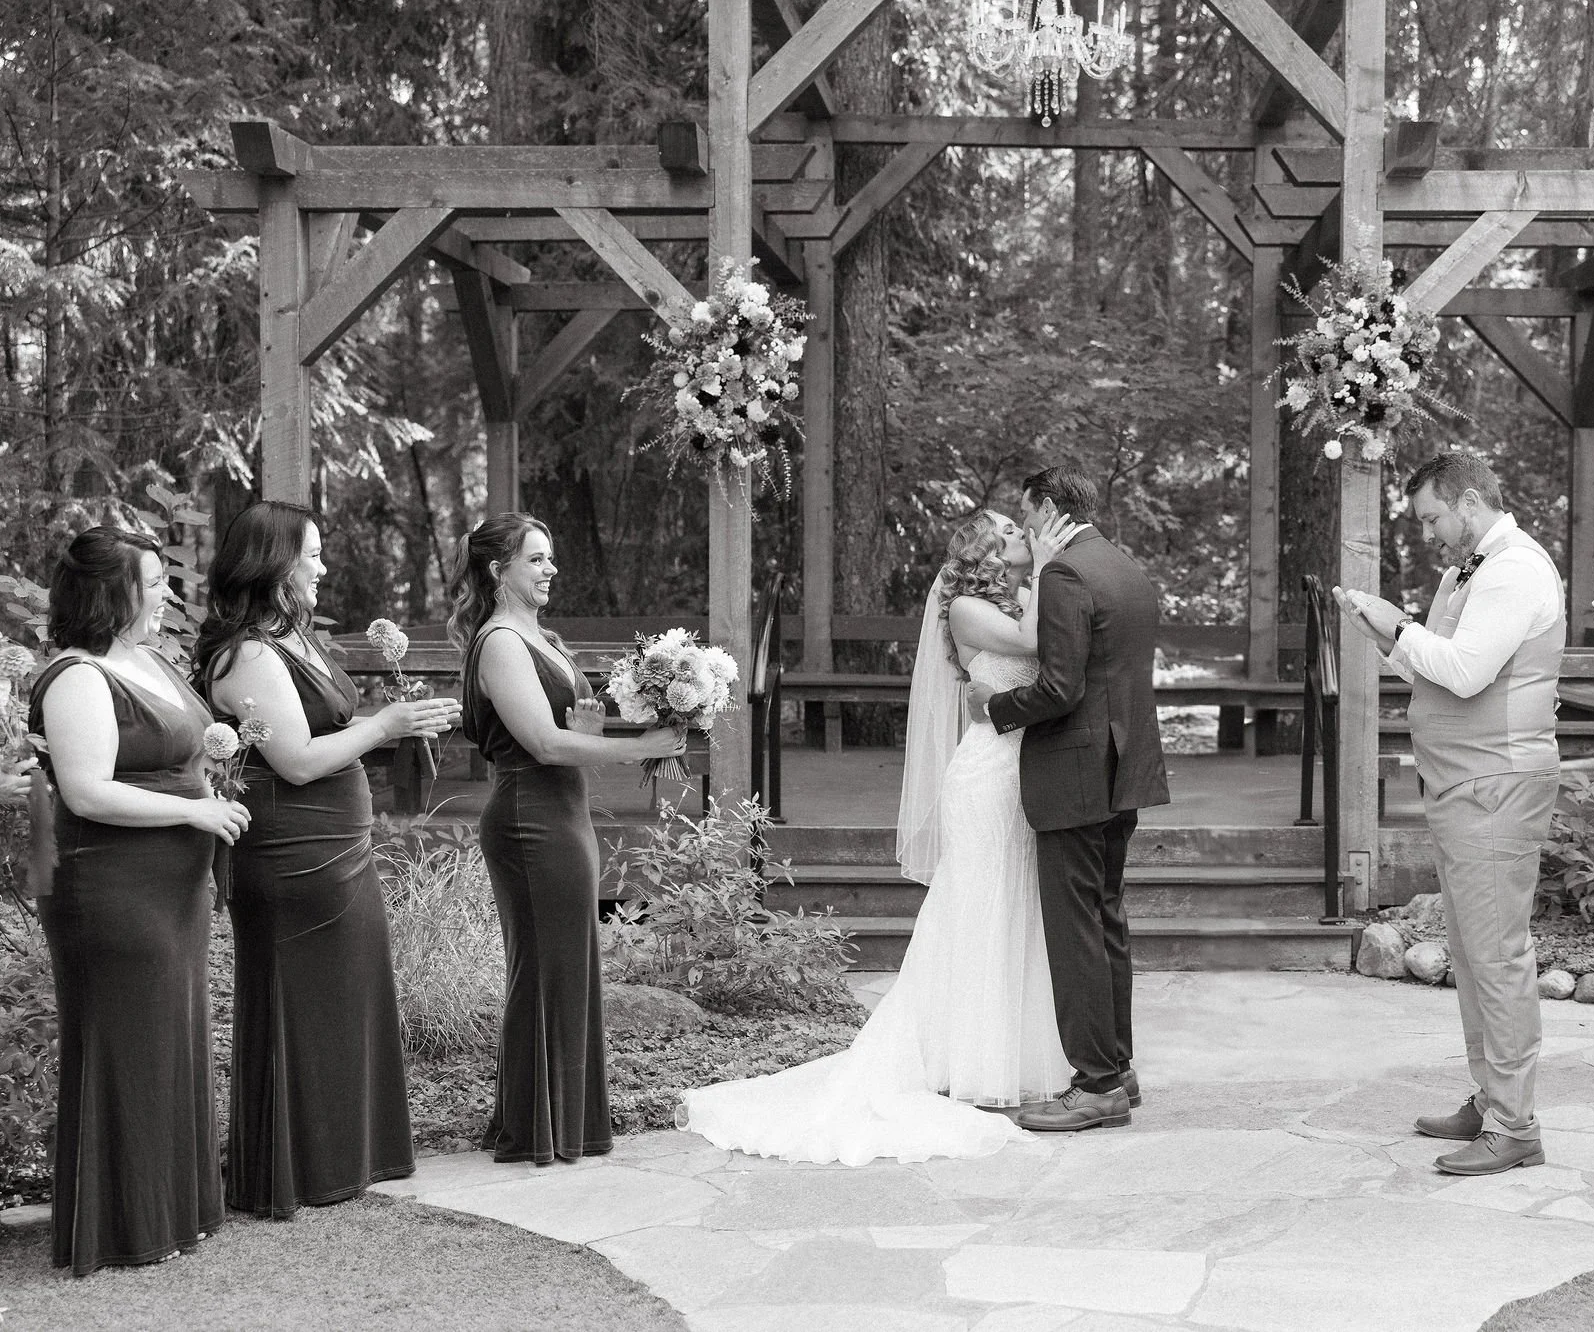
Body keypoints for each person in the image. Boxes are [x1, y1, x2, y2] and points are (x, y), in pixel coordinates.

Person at [682, 509, 1078, 1163]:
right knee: (974, 907)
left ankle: (1005, 1054)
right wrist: (1044, 565)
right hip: (985, 775)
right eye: (1009, 530)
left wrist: (1037, 576)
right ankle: (964, 1060)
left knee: (1010, 909)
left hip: (1020, 768)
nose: (1021, 535)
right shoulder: (969, 609)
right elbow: (1036, 643)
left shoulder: (1013, 598)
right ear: (984, 549)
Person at [194, 501, 461, 1216]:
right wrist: (387, 724)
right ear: (274, 564)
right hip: (291, 857)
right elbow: (300, 759)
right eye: (311, 554)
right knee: (300, 1005)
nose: (322, 566)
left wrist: (402, 720)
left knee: (345, 999)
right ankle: (294, 1168)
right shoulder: (247, 653)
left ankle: (347, 1155)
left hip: (338, 849)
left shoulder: (297, 638)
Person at [29, 526, 249, 1274]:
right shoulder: (77, 676)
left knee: (171, 1039)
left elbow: (176, 751)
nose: (166, 595)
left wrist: (211, 784)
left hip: (174, 886)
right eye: (153, 582)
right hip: (111, 886)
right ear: (109, 591)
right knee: (130, 1044)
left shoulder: (150, 660)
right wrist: (192, 811)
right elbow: (88, 791)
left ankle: (175, 1211)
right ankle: (125, 1224)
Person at [1336, 452, 1563, 1176]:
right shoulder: (1466, 571)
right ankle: (1490, 1095)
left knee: (1496, 953)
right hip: (1464, 782)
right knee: (1469, 950)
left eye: (1433, 517)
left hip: (1497, 782)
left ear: (1469, 502)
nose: (1430, 533)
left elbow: (1466, 670)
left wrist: (1397, 622)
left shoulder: (1513, 569)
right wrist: (1382, 631)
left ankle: (1515, 1123)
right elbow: (1434, 665)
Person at [453, 514, 688, 1165]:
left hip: (564, 810)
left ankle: (562, 1119)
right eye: (536, 559)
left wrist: (605, 719)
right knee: (542, 970)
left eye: (550, 557)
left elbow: (565, 722)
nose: (550, 568)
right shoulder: (500, 640)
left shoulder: (538, 633)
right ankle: (535, 1125)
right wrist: (637, 746)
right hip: (530, 814)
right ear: (499, 571)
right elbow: (543, 742)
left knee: (566, 966)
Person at [969, 466, 1171, 1133]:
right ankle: (1119, 1065)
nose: (1025, 530)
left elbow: (1059, 688)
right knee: (1107, 918)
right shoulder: (1124, 565)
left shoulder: (1064, 575)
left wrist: (994, 705)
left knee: (1076, 927)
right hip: (1124, 767)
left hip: (1077, 773)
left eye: (1028, 516)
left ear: (1050, 508)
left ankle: (1096, 1085)